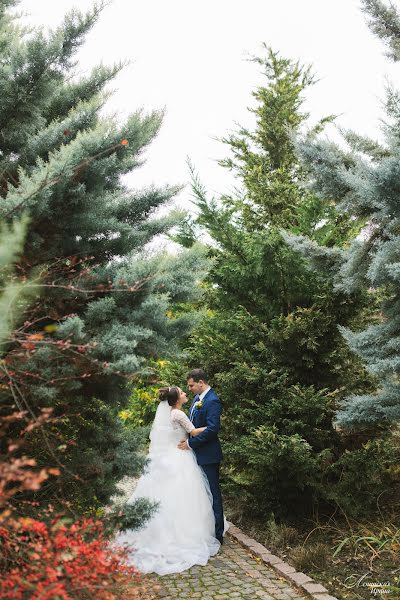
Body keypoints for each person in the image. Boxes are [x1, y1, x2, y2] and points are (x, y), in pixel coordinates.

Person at [114, 386, 221, 576]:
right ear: (176, 399)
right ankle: (184, 534)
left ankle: (158, 532)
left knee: (166, 495)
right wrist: (212, 428)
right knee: (184, 495)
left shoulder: (169, 414)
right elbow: (194, 432)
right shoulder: (178, 414)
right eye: (182, 392)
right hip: (181, 456)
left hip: (168, 456)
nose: (185, 394)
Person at [178, 368, 225, 544]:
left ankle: (218, 534)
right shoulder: (198, 400)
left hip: (208, 455)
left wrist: (190, 444)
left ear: (201, 382)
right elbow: (192, 426)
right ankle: (206, 529)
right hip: (195, 456)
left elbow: (212, 429)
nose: (189, 389)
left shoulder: (212, 401)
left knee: (213, 494)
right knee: (201, 494)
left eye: (191, 385)